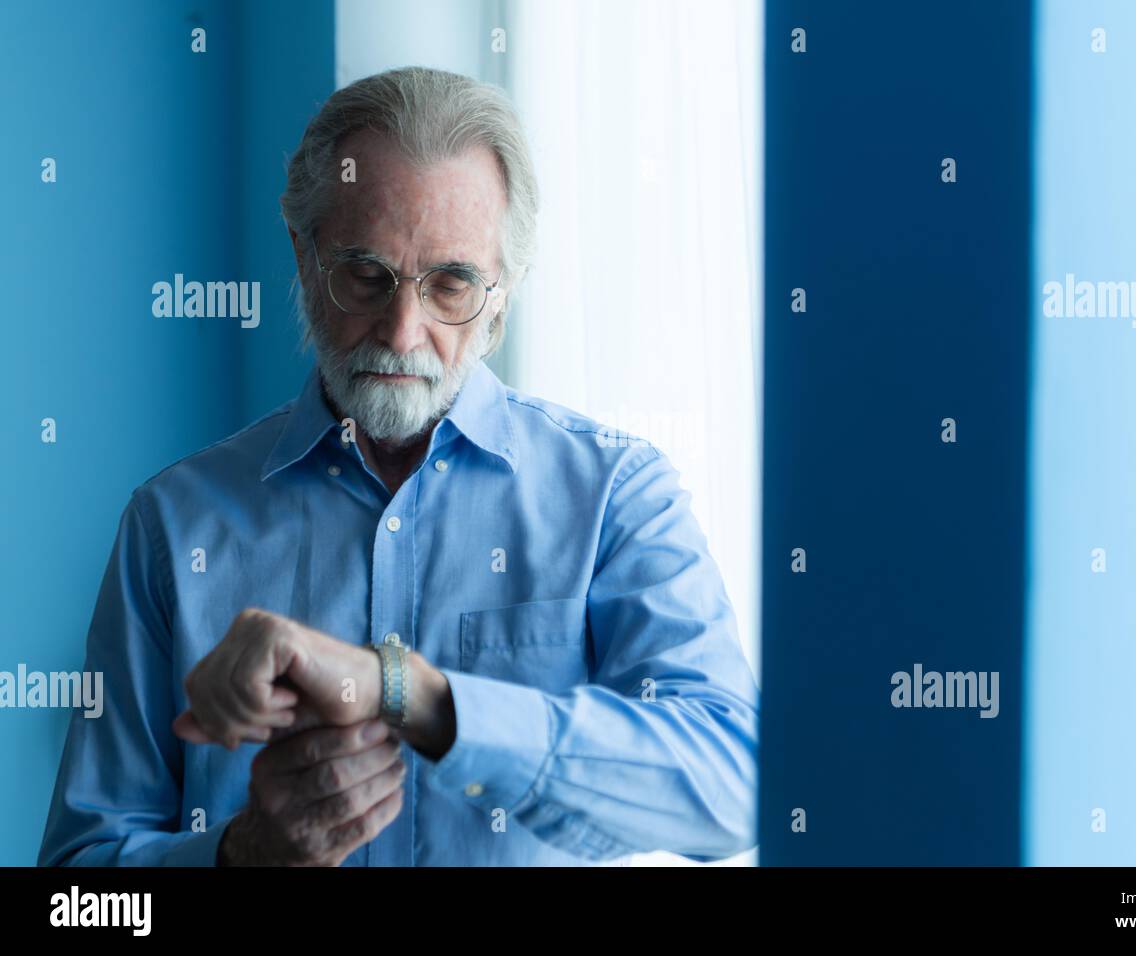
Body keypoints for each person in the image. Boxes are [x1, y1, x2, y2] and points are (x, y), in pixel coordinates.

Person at [37, 66, 758, 866]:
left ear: (505, 294)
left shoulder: (616, 495)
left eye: (451, 284)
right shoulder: (172, 525)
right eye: (366, 276)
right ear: (304, 260)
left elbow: (734, 788)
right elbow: (80, 897)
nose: (403, 332)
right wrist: (241, 859)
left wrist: (412, 694)